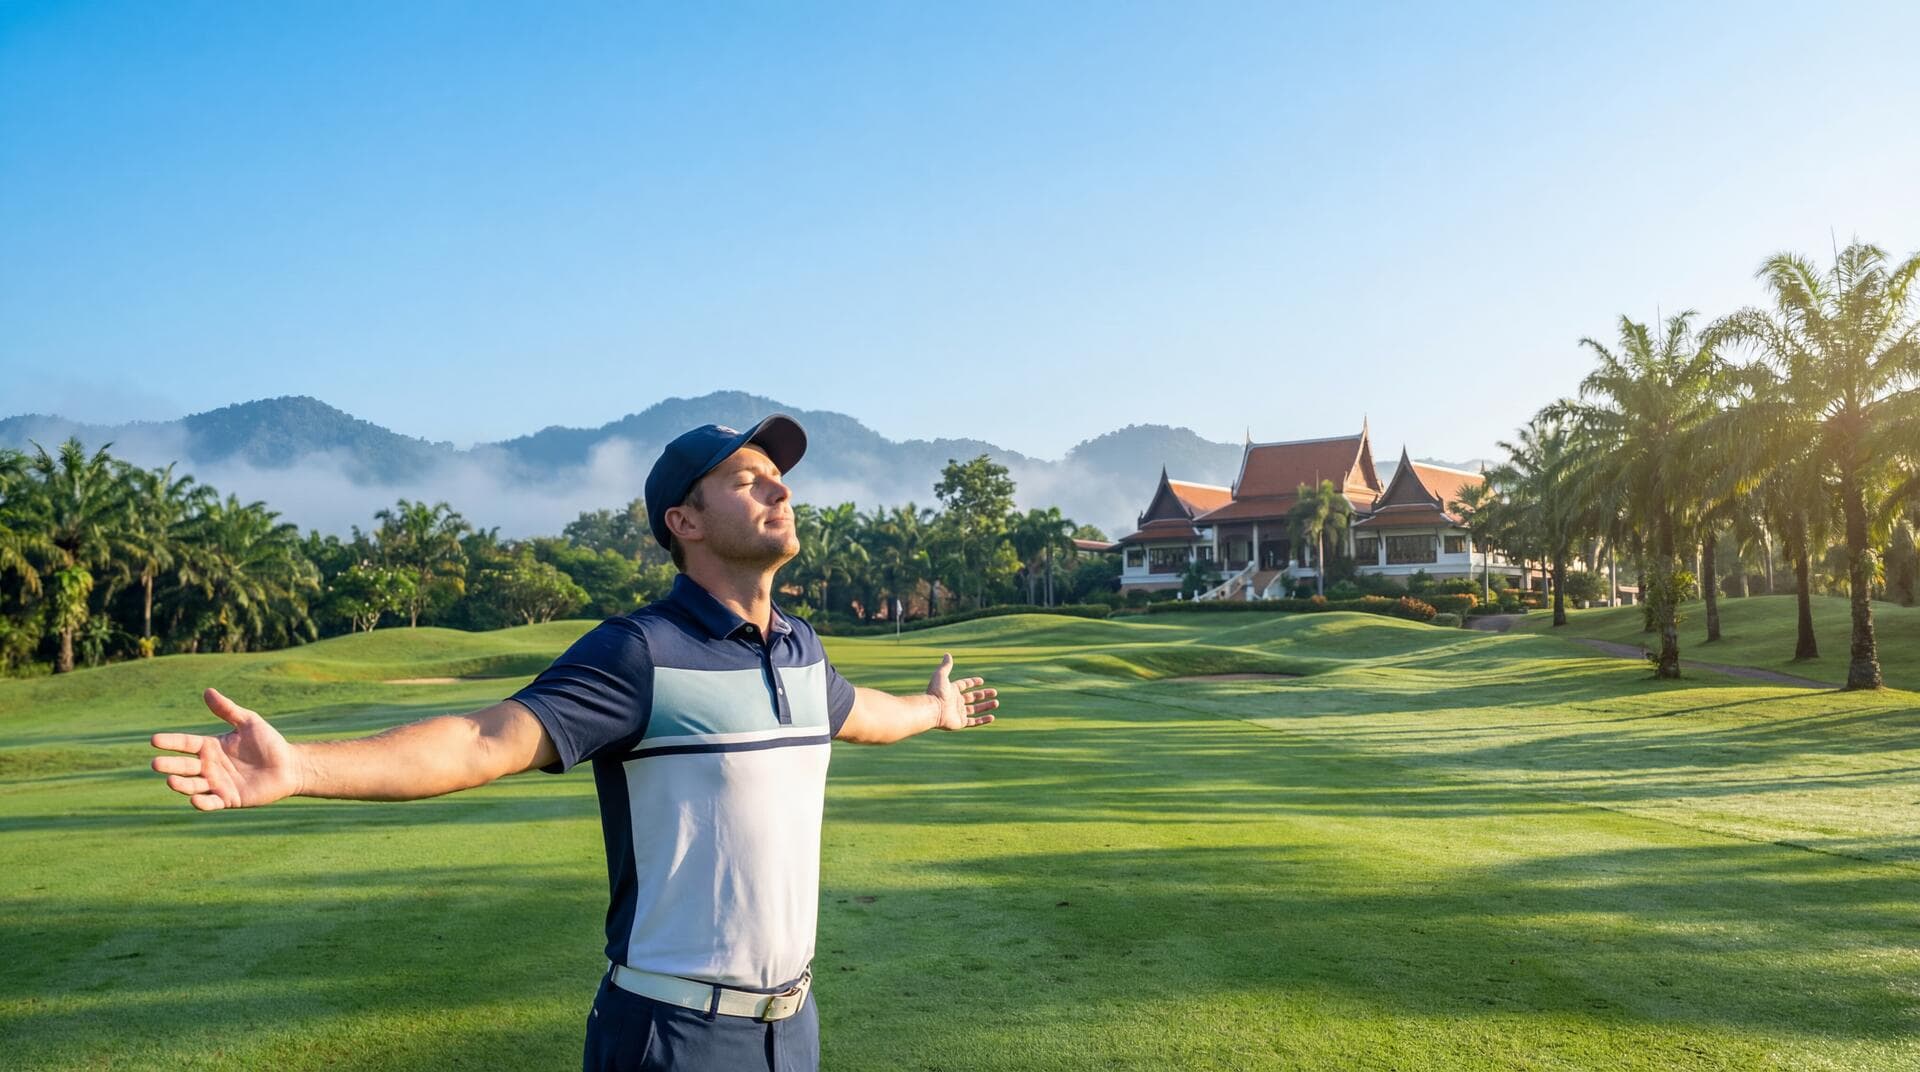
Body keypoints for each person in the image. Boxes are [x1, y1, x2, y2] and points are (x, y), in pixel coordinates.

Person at [148, 415, 1000, 1071]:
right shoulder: (641, 652)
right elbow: (485, 739)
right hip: (674, 1035)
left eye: (778, 479)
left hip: (795, 1030)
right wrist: (302, 767)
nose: (779, 492)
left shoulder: (802, 651)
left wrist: (936, 710)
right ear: (686, 522)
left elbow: (864, 716)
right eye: (748, 480)